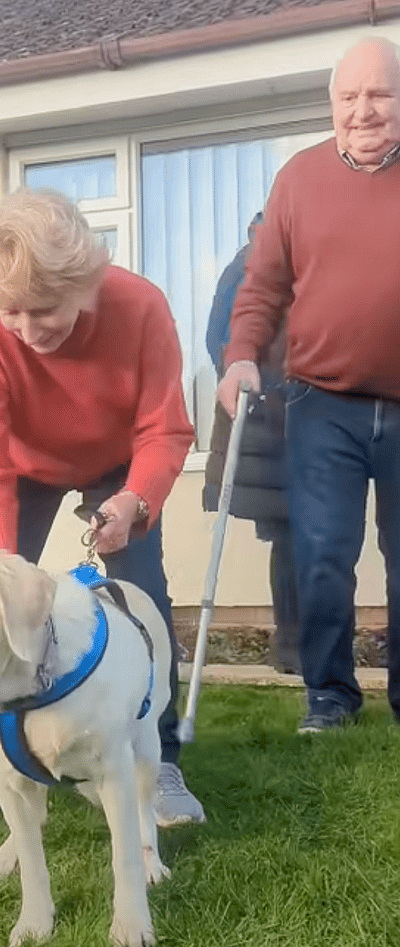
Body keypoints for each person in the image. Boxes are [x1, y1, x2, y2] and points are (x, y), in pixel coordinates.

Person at [0, 186, 206, 846]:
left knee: (141, 594)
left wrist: (131, 500)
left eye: (43, 308)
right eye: (11, 312)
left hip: (116, 463)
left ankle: (158, 758)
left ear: (84, 281)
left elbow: (165, 429)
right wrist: (2, 573)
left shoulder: (139, 307)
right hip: (21, 467)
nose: (26, 328)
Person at [218, 36, 400, 732]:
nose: (364, 110)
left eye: (379, 94)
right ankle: (329, 695)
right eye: (349, 97)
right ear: (332, 105)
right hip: (323, 402)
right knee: (323, 553)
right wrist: (239, 356)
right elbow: (262, 285)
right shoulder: (298, 179)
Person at [204, 213, 300, 674]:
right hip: (271, 422)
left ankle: (301, 647)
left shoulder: (295, 265)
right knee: (293, 538)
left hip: (292, 419)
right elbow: (220, 343)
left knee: (303, 539)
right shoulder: (245, 272)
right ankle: (294, 648)